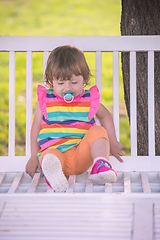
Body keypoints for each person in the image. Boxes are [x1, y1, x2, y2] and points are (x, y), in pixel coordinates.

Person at [25, 45, 124, 192]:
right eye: (61, 83)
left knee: (98, 130)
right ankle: (54, 175)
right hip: (56, 153)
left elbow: (105, 116)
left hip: (81, 155)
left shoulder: (89, 100)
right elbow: (36, 128)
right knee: (50, 156)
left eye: (74, 82)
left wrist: (113, 141)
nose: (67, 88)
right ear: (51, 81)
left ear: (84, 79)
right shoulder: (46, 101)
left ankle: (100, 165)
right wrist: (34, 156)